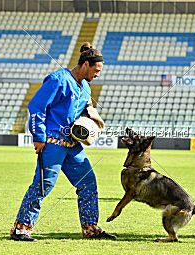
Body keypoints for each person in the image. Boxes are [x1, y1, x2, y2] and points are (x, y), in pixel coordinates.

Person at [10, 42, 116, 241]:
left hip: (73, 145)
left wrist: (91, 122)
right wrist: (39, 137)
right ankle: (20, 229)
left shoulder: (85, 87)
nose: (98, 74)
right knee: (43, 186)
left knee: (88, 184)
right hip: (52, 143)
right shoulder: (57, 79)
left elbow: (84, 112)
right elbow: (36, 107)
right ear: (86, 64)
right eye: (97, 70)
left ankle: (90, 228)